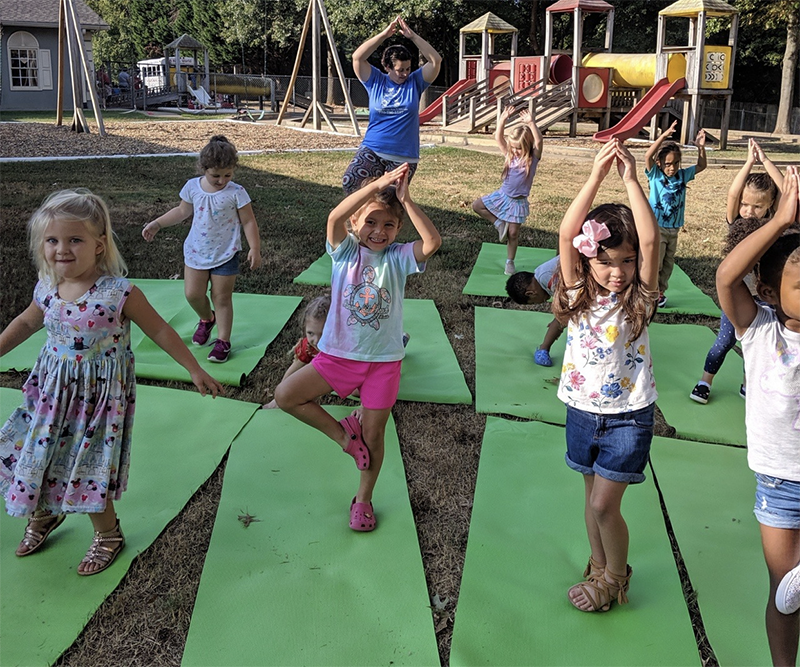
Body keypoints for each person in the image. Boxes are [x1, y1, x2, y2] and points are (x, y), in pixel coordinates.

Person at [0, 189, 222, 576]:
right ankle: (44, 513)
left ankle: (108, 534)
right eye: (52, 240)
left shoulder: (118, 293)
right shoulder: (46, 286)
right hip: (52, 395)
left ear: (99, 245)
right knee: (38, 453)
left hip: (97, 401)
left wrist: (194, 368)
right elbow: (24, 323)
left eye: (75, 240)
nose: (62, 249)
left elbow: (161, 331)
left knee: (88, 463)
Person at [275, 163, 441, 532]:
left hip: (383, 362)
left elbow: (432, 244)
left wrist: (406, 200)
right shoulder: (345, 252)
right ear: (355, 223)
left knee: (375, 436)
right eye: (370, 222)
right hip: (338, 356)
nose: (379, 231)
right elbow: (335, 216)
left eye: (388, 224)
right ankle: (345, 436)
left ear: (398, 228)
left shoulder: (398, 257)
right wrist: (376, 186)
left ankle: (363, 500)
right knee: (286, 395)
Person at [552, 139, 659, 612]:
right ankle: (598, 566)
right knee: (591, 498)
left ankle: (616, 577)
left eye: (627, 261)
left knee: (603, 505)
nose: (617, 271)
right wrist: (594, 177)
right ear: (586, 258)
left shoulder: (640, 299)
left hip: (628, 417)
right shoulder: (578, 292)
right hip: (582, 411)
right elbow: (565, 232)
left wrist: (632, 180)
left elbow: (652, 240)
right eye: (606, 261)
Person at [715, 166, 800, 667]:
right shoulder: (759, 330)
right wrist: (779, 222)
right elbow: (727, 275)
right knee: (785, 591)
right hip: (779, 482)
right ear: (768, 293)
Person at [142, 135, 262, 363]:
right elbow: (181, 212)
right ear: (203, 169)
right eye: (215, 175)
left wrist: (254, 248)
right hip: (196, 252)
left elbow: (248, 221)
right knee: (193, 294)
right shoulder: (192, 187)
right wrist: (157, 223)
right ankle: (207, 319)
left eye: (227, 175)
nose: (221, 180)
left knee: (222, 298)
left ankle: (223, 341)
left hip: (226, 253)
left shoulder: (236, 192)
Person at [690, 138, 783, 404]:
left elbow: (785, 193)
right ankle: (705, 381)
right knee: (725, 340)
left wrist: (765, 160)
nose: (749, 211)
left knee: (757, 346)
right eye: (746, 204)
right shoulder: (736, 224)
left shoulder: (772, 225)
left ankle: (747, 384)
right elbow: (733, 194)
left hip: (765, 297)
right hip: (738, 295)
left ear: (769, 206)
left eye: (757, 206)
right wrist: (749, 162)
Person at [343, 16, 441, 195]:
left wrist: (412, 36)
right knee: (351, 182)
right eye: (399, 70)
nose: (404, 74)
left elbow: (435, 61)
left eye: (407, 68)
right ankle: (358, 222)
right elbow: (357, 57)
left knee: (389, 201)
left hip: (403, 155)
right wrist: (384, 35)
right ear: (388, 67)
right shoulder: (375, 80)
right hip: (373, 149)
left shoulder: (415, 82)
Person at [472, 107, 543, 275]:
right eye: (513, 147)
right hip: (503, 196)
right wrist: (502, 119)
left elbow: (539, 142)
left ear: (526, 146)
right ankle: (498, 223)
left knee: (513, 234)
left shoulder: (532, 160)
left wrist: (531, 123)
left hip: (518, 202)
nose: (514, 151)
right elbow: (498, 137)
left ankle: (509, 262)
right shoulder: (509, 155)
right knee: (477, 206)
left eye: (518, 148)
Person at [644, 120, 707, 307]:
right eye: (668, 164)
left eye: (676, 163)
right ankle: (650, 291)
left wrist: (700, 148)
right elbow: (648, 156)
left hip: (674, 229)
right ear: (660, 163)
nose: (672, 168)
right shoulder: (655, 175)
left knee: (668, 263)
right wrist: (663, 136)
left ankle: (660, 292)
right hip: (657, 227)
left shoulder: (682, 175)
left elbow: (701, 166)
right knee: (656, 261)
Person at [262, 295, 330, 409]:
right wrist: (280, 396)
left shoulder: (344, 348)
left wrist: (363, 407)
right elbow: (294, 370)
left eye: (323, 334)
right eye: (310, 333)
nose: (317, 341)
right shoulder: (309, 346)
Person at [505, 256, 564, 366]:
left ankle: (544, 349)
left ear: (531, 293)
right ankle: (544, 349)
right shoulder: (541, 274)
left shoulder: (546, 278)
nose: (539, 303)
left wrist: (559, 319)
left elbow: (569, 308)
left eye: (533, 302)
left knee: (563, 317)